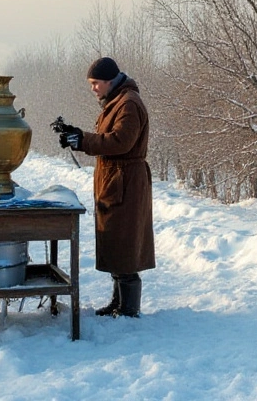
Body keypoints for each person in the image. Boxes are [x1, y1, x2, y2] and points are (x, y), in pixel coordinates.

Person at [57, 56, 155, 318]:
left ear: (110, 81)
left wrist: (83, 140)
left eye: (95, 83)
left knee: (124, 243)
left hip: (126, 181)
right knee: (115, 241)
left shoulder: (129, 103)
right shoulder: (116, 101)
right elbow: (106, 138)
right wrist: (76, 134)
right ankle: (118, 302)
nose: (93, 89)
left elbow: (120, 141)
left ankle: (129, 308)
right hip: (116, 180)